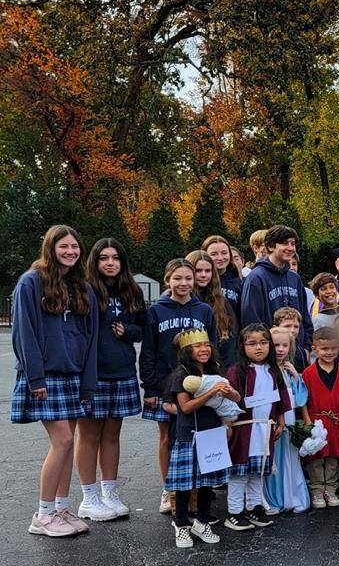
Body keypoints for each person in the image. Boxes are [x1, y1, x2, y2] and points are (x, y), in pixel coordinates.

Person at [11, 225, 99, 538]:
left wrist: (88, 382)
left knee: (67, 443)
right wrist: (35, 378)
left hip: (74, 374)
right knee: (61, 441)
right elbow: (24, 333)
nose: (70, 252)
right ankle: (43, 514)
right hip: (44, 377)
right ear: (51, 248)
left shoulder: (82, 287)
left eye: (75, 247)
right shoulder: (30, 283)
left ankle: (61, 508)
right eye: (64, 247)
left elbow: (91, 337)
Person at [140, 258, 218, 514]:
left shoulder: (204, 310)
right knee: (167, 437)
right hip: (165, 384)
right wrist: (150, 388)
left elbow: (212, 347)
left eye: (188, 278)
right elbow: (149, 350)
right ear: (168, 280)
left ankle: (195, 489)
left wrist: (214, 379)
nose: (183, 283)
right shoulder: (156, 311)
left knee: (197, 436)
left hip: (198, 383)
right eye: (178, 278)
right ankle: (168, 489)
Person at [78, 237, 145, 521]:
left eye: (115, 258)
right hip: (92, 373)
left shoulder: (132, 291)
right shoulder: (85, 290)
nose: (110, 263)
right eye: (104, 258)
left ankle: (109, 493)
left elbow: (141, 329)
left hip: (122, 370)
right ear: (95, 261)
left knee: (112, 435)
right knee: (89, 435)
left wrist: (127, 331)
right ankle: (89, 497)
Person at [163, 329, 237, 548]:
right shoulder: (181, 375)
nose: (204, 349)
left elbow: (236, 397)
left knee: (207, 483)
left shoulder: (215, 370)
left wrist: (228, 393)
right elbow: (185, 407)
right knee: (185, 484)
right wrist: (211, 392)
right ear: (187, 350)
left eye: (206, 345)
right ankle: (181, 525)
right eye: (198, 346)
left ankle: (202, 521)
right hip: (190, 436)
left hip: (212, 433)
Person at [224, 324, 288, 532]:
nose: (258, 348)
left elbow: (281, 400)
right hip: (243, 430)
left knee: (257, 472)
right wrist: (228, 425)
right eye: (252, 344)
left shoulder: (273, 371)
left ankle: (254, 508)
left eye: (263, 342)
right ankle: (235, 512)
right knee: (239, 474)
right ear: (242, 347)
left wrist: (280, 421)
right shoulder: (237, 372)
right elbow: (227, 402)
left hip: (265, 430)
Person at [240, 225, 314, 361]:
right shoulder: (256, 278)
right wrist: (264, 351)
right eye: (285, 243)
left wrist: (306, 349)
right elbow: (251, 320)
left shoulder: (294, 278)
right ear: (271, 246)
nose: (290, 248)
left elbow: (305, 317)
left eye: (293, 244)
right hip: (270, 357)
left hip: (297, 355)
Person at [301, 327, 339, 510]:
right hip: (316, 420)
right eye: (324, 349)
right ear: (315, 349)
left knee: (332, 457)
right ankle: (316, 489)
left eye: (333, 348)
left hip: (337, 420)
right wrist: (307, 420)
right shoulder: (307, 373)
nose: (329, 352)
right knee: (316, 456)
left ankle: (330, 488)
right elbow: (303, 400)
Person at [262, 326, 311, 514]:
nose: (280, 349)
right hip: (272, 423)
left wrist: (297, 377)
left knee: (289, 459)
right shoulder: (266, 370)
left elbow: (300, 400)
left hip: (288, 423)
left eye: (284, 345)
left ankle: (291, 496)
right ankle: (273, 499)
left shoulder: (289, 370)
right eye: (276, 345)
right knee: (273, 460)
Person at [187, 249, 238, 367]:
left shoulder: (222, 303)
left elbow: (229, 343)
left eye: (208, 270)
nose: (203, 275)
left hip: (216, 370)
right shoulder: (179, 302)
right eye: (198, 271)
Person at [202, 235, 243, 319]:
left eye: (224, 253)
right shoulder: (201, 282)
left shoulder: (238, 283)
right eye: (214, 254)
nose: (220, 258)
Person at [273, 306, 307, 372]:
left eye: (296, 327)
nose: (292, 330)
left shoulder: (301, 352)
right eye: (287, 326)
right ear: (275, 327)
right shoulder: (270, 349)